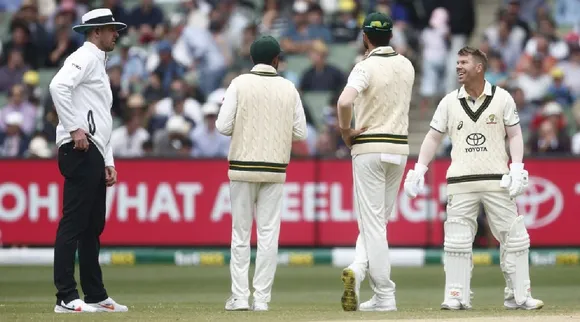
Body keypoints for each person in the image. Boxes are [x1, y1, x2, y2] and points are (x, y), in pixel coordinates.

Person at [403, 46, 544, 310]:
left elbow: (514, 135)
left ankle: (519, 294)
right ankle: (456, 295)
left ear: (479, 67)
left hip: (497, 180)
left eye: (463, 62)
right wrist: (419, 169)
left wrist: (516, 167)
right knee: (457, 239)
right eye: (456, 62)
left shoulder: (502, 98)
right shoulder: (448, 102)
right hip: (461, 181)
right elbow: (433, 137)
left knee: (515, 236)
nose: (458, 67)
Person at [215, 35, 307, 312]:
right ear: (277, 59)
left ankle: (240, 298)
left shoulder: (239, 84)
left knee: (240, 235)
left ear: (252, 59)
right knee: (268, 235)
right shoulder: (289, 87)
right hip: (275, 169)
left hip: (242, 168)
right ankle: (262, 300)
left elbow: (222, 126)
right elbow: (300, 132)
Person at [49, 8, 129, 313]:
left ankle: (95, 294)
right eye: (111, 29)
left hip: (93, 150)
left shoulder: (98, 61)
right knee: (75, 222)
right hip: (79, 149)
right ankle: (65, 296)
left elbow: (100, 117)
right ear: (96, 32)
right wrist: (72, 127)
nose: (116, 34)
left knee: (92, 226)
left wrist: (108, 159)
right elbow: (58, 86)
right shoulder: (84, 56)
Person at [336, 12, 415, 312]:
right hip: (399, 147)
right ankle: (357, 269)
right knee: (377, 222)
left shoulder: (364, 66)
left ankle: (385, 294)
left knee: (373, 223)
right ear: (391, 36)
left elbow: (344, 102)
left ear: (365, 37)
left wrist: (346, 131)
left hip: (369, 146)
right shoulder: (407, 64)